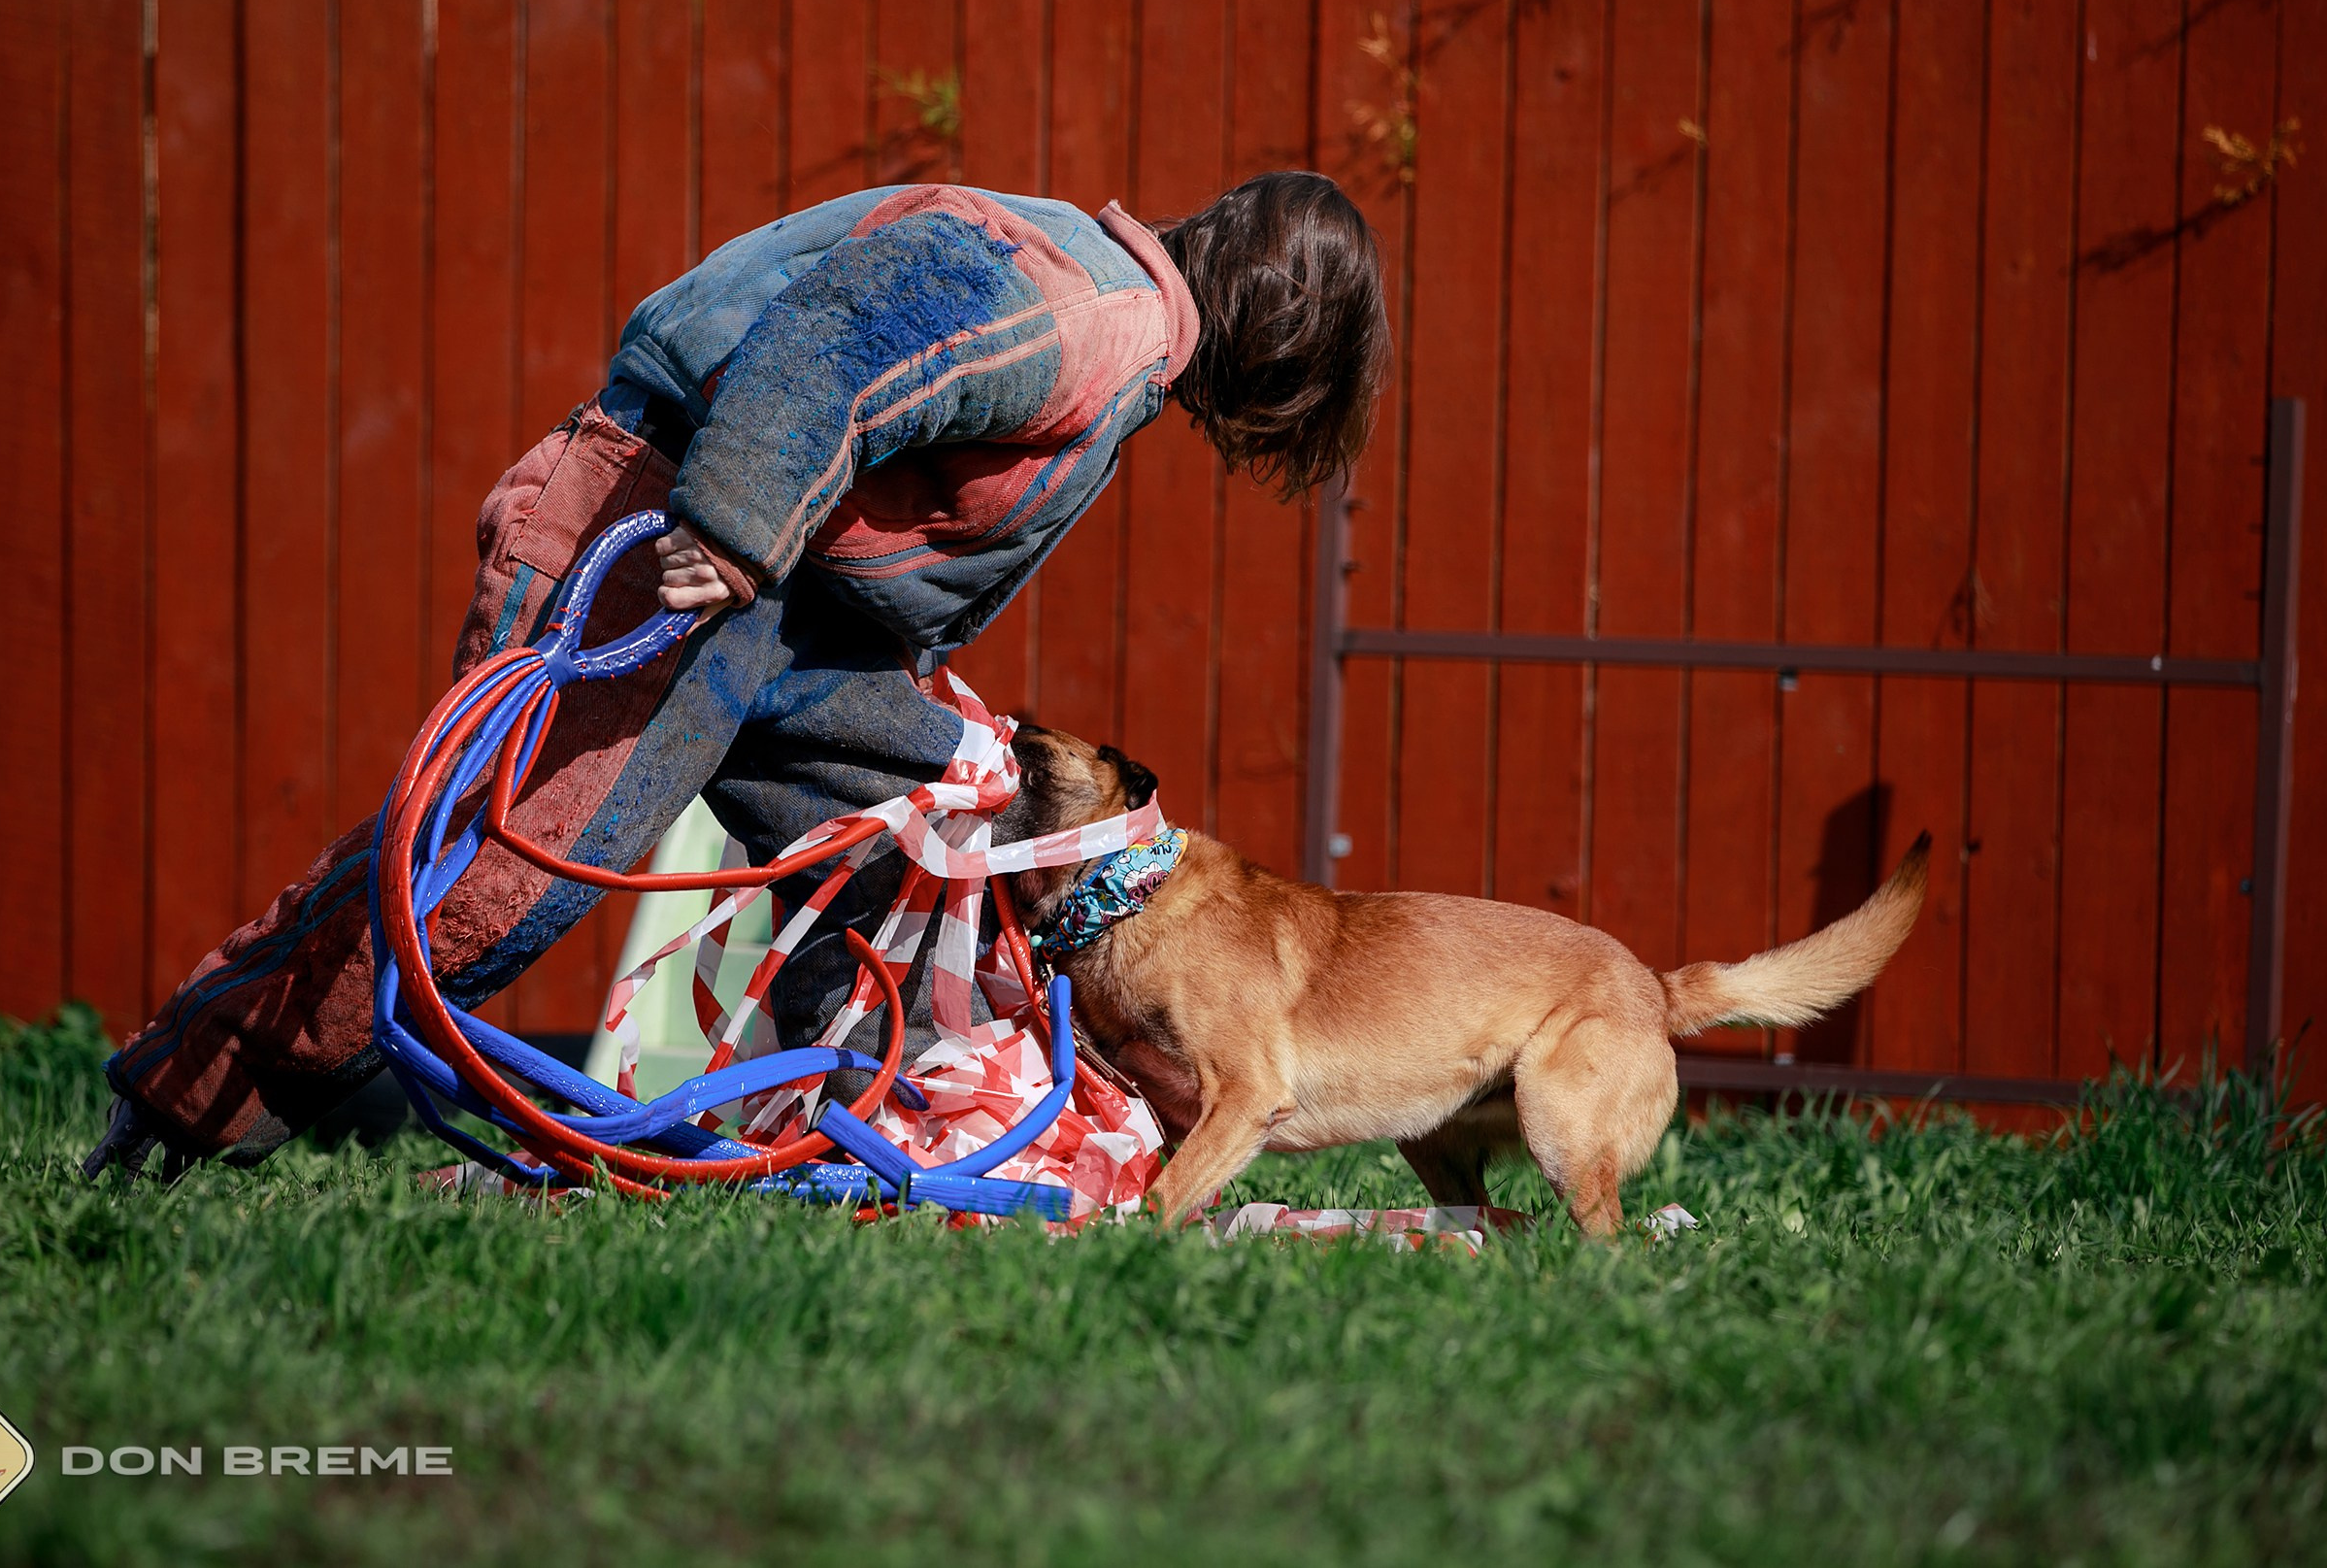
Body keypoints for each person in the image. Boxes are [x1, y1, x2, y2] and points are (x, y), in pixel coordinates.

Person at [84, 172, 1389, 1181]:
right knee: (498, 882)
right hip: (671, 544)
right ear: (1283, 352)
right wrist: (732, 520)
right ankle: (181, 1108)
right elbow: (849, 329)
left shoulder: (1119, 326)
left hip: (788, 615)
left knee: (895, 865)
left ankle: (886, 1160)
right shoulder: (1089, 314)